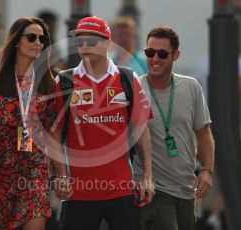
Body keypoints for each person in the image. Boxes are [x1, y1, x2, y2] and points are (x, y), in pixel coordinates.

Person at [53, 16, 154, 230]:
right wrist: (61, 176)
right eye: (80, 42)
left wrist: (147, 177)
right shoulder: (63, 81)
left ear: (108, 43)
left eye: (91, 41)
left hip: (122, 191)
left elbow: (142, 130)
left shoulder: (128, 78)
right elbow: (54, 132)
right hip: (79, 192)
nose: (84, 47)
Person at [0, 17, 57, 229]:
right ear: (17, 41)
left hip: (35, 168)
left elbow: (54, 132)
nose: (38, 43)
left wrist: (62, 174)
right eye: (32, 37)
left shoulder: (48, 82)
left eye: (42, 39)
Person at [134, 26, 215, 230]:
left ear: (176, 55)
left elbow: (204, 133)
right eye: (149, 52)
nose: (154, 59)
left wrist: (206, 170)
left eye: (162, 53)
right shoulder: (135, 88)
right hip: (152, 189)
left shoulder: (191, 87)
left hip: (186, 189)